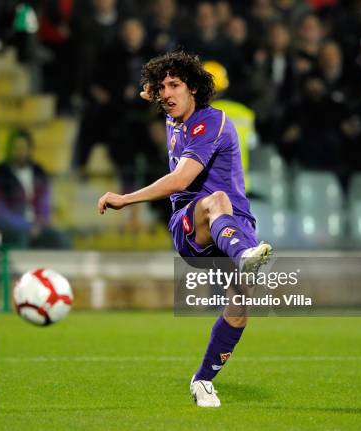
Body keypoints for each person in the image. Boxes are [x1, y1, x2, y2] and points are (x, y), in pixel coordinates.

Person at [97, 51, 272, 408]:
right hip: (193, 226)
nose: (166, 94)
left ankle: (203, 381)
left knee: (239, 309)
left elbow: (180, 175)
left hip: (235, 224)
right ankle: (245, 257)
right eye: (161, 88)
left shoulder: (212, 122)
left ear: (194, 87)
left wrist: (125, 198)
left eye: (174, 85)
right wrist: (126, 199)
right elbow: (181, 183)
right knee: (217, 198)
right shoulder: (176, 112)